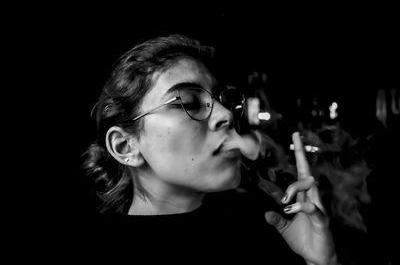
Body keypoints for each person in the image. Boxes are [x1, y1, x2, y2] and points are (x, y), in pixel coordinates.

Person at [81, 34, 339, 264]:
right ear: (126, 146)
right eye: (189, 102)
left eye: (220, 99)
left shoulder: (263, 229)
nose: (226, 114)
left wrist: (320, 260)